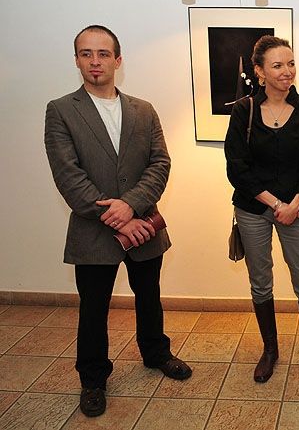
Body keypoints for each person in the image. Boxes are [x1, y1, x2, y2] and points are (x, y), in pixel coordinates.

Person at [44, 25, 192, 418]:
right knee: (94, 308)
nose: (95, 61)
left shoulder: (144, 109)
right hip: (94, 231)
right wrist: (117, 218)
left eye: (103, 54)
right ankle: (93, 379)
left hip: (143, 226)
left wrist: (130, 206)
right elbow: (68, 175)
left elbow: (160, 164)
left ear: (118, 60)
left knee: (149, 295)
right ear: (77, 60)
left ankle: (156, 353)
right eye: (86, 53)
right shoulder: (61, 110)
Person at [225, 35, 299, 384]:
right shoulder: (243, 110)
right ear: (259, 71)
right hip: (253, 209)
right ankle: (270, 350)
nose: (287, 71)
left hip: (296, 210)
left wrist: (294, 204)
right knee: (260, 282)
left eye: (291, 63)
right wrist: (274, 204)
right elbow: (236, 167)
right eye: (277, 65)